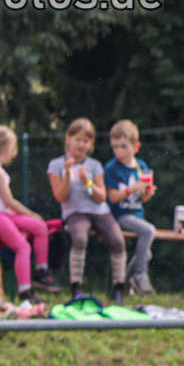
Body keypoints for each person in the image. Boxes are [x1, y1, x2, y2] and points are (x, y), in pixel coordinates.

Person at [48, 116, 127, 301]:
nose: (82, 145)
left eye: (86, 141)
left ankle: (119, 287)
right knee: (80, 238)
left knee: (118, 240)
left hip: (100, 212)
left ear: (91, 144)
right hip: (75, 212)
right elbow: (60, 197)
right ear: (68, 139)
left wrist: (88, 183)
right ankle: (76, 286)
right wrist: (68, 176)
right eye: (78, 140)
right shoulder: (56, 165)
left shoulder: (95, 165)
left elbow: (101, 197)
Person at [0, 125, 58, 301]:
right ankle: (25, 291)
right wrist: (30, 213)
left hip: (2, 214)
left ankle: (41, 270)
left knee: (40, 227)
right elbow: (9, 201)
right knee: (23, 247)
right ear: (8, 149)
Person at [102, 119, 157, 296]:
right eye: (115, 147)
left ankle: (125, 282)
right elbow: (113, 198)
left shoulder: (141, 167)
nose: (118, 151)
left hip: (137, 214)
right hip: (120, 215)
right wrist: (132, 189)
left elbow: (143, 199)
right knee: (149, 231)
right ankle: (140, 276)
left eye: (123, 146)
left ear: (136, 147)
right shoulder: (112, 168)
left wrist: (148, 193)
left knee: (146, 254)